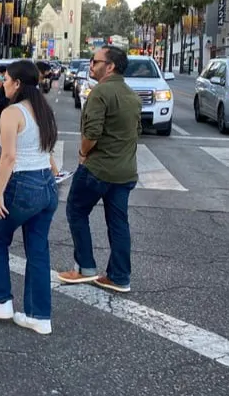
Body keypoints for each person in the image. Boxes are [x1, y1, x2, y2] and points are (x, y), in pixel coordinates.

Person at [0, 60, 59, 335]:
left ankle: (2, 300)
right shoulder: (44, 110)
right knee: (38, 249)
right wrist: (53, 171)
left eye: (7, 78)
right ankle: (39, 316)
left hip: (22, 183)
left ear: (18, 83)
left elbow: (9, 157)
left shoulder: (12, 112)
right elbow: (47, 148)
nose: (3, 83)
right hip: (46, 184)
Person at [58, 46, 141, 294]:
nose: (91, 65)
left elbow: (91, 133)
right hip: (125, 172)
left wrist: (83, 153)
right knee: (118, 223)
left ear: (110, 66)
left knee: (76, 210)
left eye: (95, 61)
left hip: (98, 169)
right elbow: (136, 132)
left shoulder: (100, 92)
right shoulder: (131, 95)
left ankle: (85, 267)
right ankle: (120, 277)